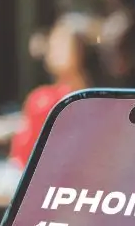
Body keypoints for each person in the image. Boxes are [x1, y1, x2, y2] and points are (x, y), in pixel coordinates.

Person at [10, 15, 105, 169]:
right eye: (53, 41)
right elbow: (21, 157)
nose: (52, 47)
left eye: (61, 42)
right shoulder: (42, 99)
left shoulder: (101, 102)